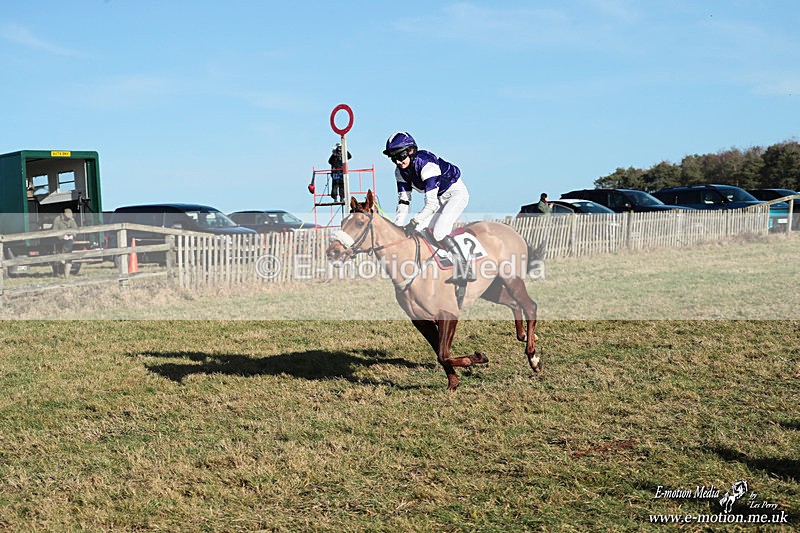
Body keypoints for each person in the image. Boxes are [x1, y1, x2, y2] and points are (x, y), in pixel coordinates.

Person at [384, 131, 475, 284]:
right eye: (394, 159)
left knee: (439, 232)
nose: (398, 162)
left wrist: (414, 221)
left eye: (400, 156)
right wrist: (398, 225)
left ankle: (465, 268)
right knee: (421, 231)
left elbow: (431, 204)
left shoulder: (427, 165)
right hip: (440, 198)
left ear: (411, 151)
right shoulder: (399, 172)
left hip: (456, 194)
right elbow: (404, 202)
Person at [52, 207, 78, 278]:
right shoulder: (57, 219)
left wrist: (72, 235)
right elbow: (55, 231)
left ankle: (66, 275)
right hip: (59, 240)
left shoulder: (71, 220)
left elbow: (75, 229)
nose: (68, 218)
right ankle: (63, 259)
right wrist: (62, 237)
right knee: (67, 249)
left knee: (69, 246)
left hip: (69, 239)